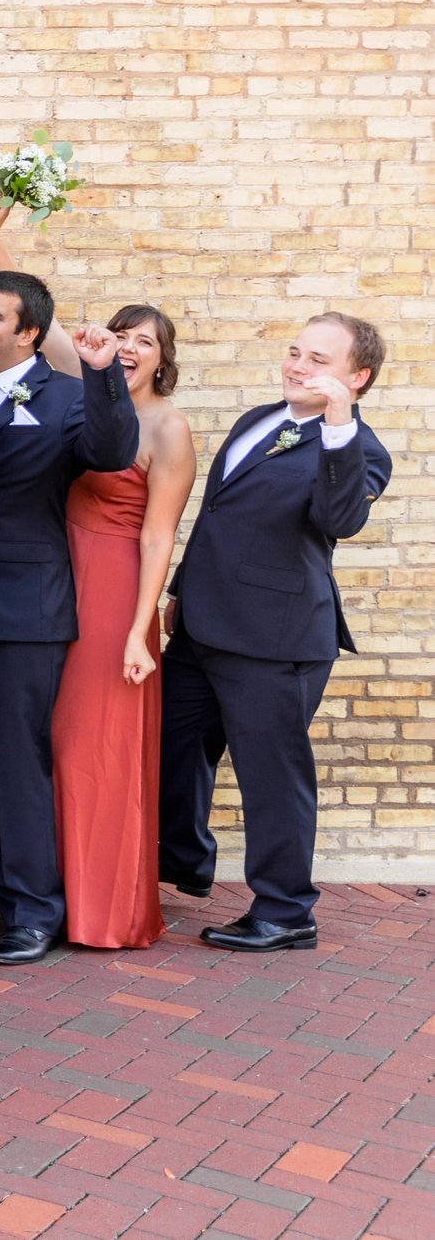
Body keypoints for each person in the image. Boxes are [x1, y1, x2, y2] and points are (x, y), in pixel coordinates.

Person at [0, 217, 198, 950]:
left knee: (94, 746)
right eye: (120, 335)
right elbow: (33, 324)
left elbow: (158, 533)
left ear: (162, 361)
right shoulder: (84, 393)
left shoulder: (167, 427)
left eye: (145, 341)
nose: (128, 347)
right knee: (52, 744)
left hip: (112, 591)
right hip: (53, 579)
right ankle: (48, 893)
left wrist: (141, 630)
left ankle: (103, 904)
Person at [159, 314, 392, 953]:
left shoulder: (362, 451)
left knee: (272, 776)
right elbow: (218, 518)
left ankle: (287, 911)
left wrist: (340, 426)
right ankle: (180, 862)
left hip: (276, 639)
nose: (297, 366)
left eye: (318, 359)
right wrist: (181, 589)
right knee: (170, 749)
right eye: (295, 352)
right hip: (203, 626)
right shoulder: (259, 418)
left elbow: (338, 519)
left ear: (356, 377)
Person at [0, 227, 140, 966]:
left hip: (21, 607)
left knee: (14, 757)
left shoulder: (65, 397)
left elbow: (112, 451)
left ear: (29, 331)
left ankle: (32, 909)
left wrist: (102, 375)